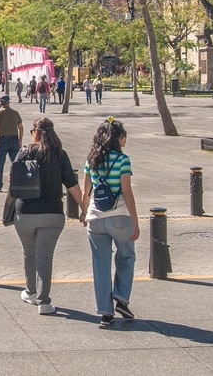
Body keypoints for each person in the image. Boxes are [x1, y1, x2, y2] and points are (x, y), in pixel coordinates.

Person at [12, 117, 83, 315]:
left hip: (25, 213)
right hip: (52, 214)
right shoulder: (60, 155)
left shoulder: (24, 152)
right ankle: (44, 302)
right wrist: (84, 209)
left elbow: (13, 181)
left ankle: (31, 292)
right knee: (45, 256)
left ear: (35, 131)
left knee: (29, 252)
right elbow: (72, 186)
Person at [81, 117, 139, 327]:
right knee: (126, 256)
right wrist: (135, 220)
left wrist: (83, 213)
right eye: (124, 137)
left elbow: (86, 191)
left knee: (100, 264)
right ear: (118, 139)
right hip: (120, 217)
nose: (125, 141)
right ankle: (121, 298)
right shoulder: (123, 160)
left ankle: (105, 312)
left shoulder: (91, 160)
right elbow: (127, 191)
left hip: (95, 219)